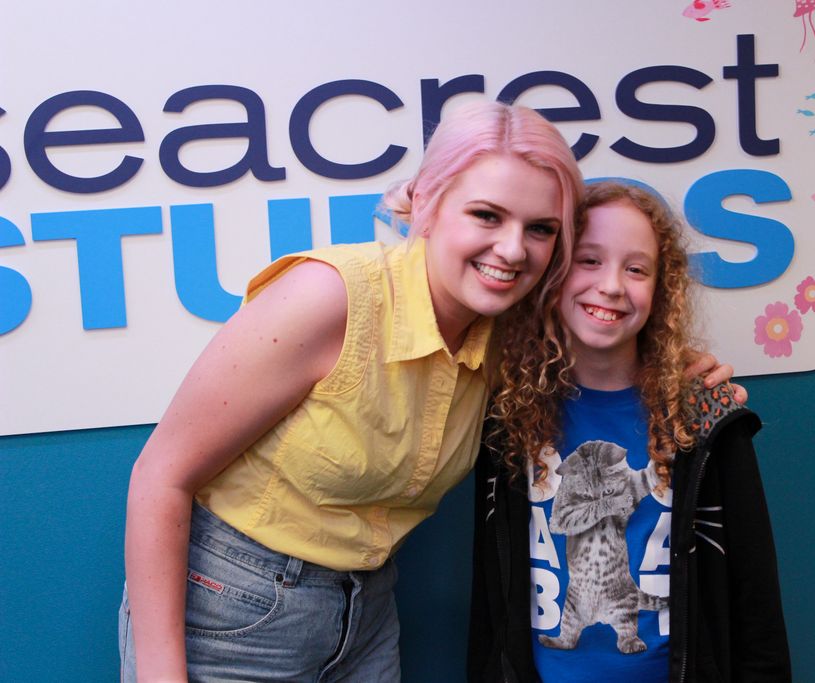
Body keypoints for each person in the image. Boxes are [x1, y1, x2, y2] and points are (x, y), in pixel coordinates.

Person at [119, 101, 589, 683]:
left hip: (367, 614)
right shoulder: (331, 298)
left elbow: (614, 322)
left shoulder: (508, 326)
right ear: (425, 201)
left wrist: (679, 370)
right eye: (487, 216)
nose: (514, 250)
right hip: (230, 610)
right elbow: (160, 477)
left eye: (540, 228)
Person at [468, 181, 790, 682]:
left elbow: (755, 597)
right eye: (588, 260)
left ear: (661, 290)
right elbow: (492, 589)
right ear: (551, 276)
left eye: (636, 269)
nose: (613, 285)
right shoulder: (508, 412)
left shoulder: (705, 412)